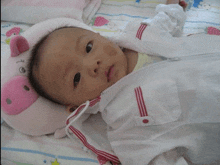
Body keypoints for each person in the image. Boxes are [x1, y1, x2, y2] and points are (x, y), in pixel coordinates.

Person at [5, 2, 219, 165]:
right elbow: (152, 155)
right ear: (75, 106)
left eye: (88, 47)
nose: (93, 65)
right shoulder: (122, 119)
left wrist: (173, 7)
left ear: (98, 35)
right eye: (76, 78)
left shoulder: (137, 34)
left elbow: (163, 23)